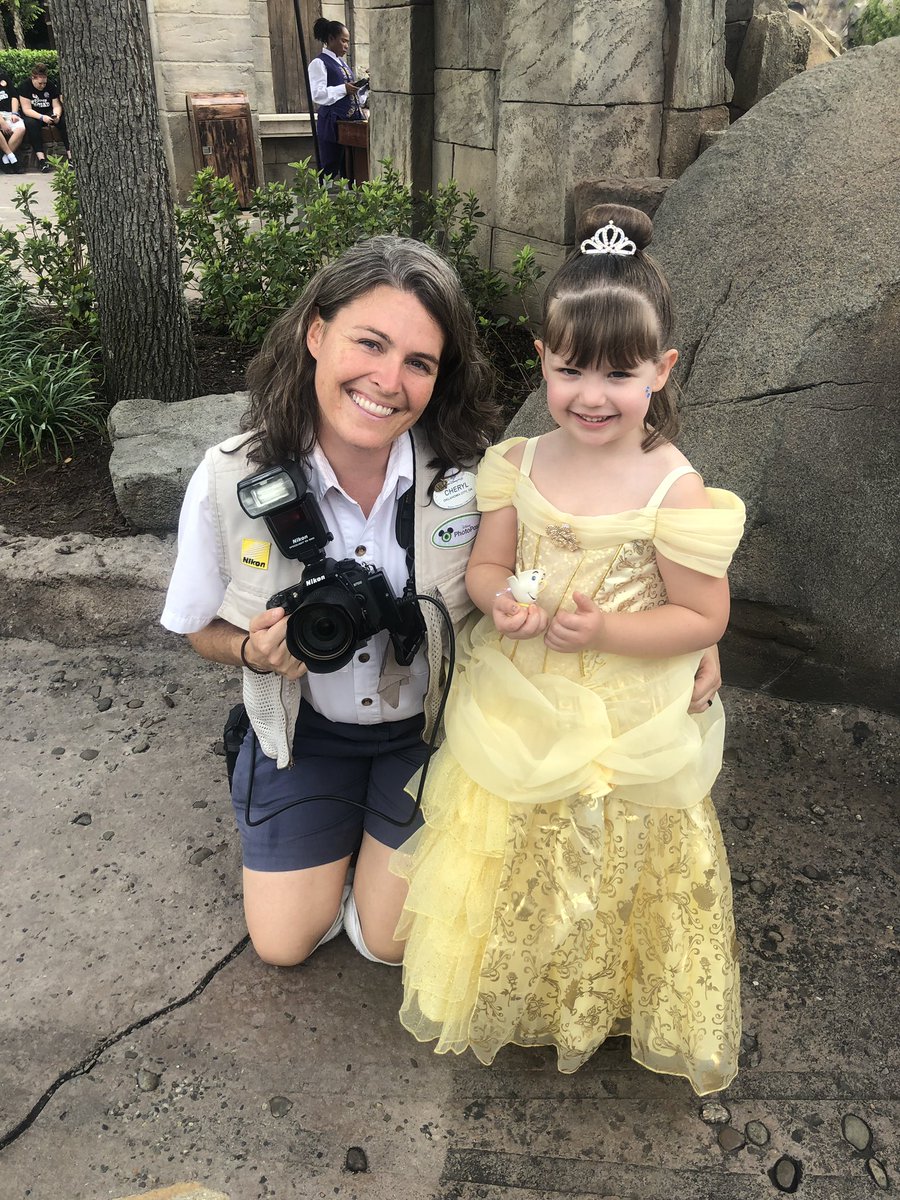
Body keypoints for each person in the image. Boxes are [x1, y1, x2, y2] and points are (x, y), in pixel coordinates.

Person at [392, 204, 746, 1096]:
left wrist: (610, 630)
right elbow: (488, 565)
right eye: (570, 368)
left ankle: (600, 993)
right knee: (516, 841)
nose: (592, 395)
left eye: (619, 374)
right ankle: (525, 984)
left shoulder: (676, 488)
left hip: (625, 699)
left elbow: (703, 616)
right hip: (525, 685)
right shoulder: (519, 462)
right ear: (543, 360)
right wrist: (497, 606)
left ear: (660, 371)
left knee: (612, 847)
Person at [161, 236, 502, 968]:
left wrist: (690, 649)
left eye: (419, 362)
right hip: (305, 733)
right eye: (369, 343)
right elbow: (200, 627)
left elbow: (576, 557)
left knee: (389, 944)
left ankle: (363, 871)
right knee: (282, 947)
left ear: (440, 379)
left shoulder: (474, 482)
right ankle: (319, 834)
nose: (388, 380)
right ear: (317, 334)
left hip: (430, 734)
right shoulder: (230, 480)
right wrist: (251, 650)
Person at [307, 17, 366, 181]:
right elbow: (317, 94)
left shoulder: (342, 64)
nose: (346, 45)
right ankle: (324, 202)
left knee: (350, 167)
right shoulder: (319, 63)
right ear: (331, 39)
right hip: (332, 123)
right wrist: (344, 88)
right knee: (329, 167)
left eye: (348, 42)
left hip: (349, 124)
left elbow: (350, 95)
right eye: (343, 41)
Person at [17, 63, 70, 173]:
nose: (42, 86)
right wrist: (42, 117)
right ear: (33, 78)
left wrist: (57, 115)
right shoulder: (25, 86)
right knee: (31, 124)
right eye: (40, 83)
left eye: (44, 83)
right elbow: (26, 109)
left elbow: (56, 105)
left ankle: (70, 157)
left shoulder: (50, 85)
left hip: (49, 112)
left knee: (63, 122)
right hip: (34, 114)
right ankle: (42, 160)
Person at [0, 75, 25, 171]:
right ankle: (12, 158)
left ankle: (5, 158)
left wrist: (14, 113)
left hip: (9, 113)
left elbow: (14, 97)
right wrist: (2, 122)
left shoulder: (4, 77)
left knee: (21, 128)